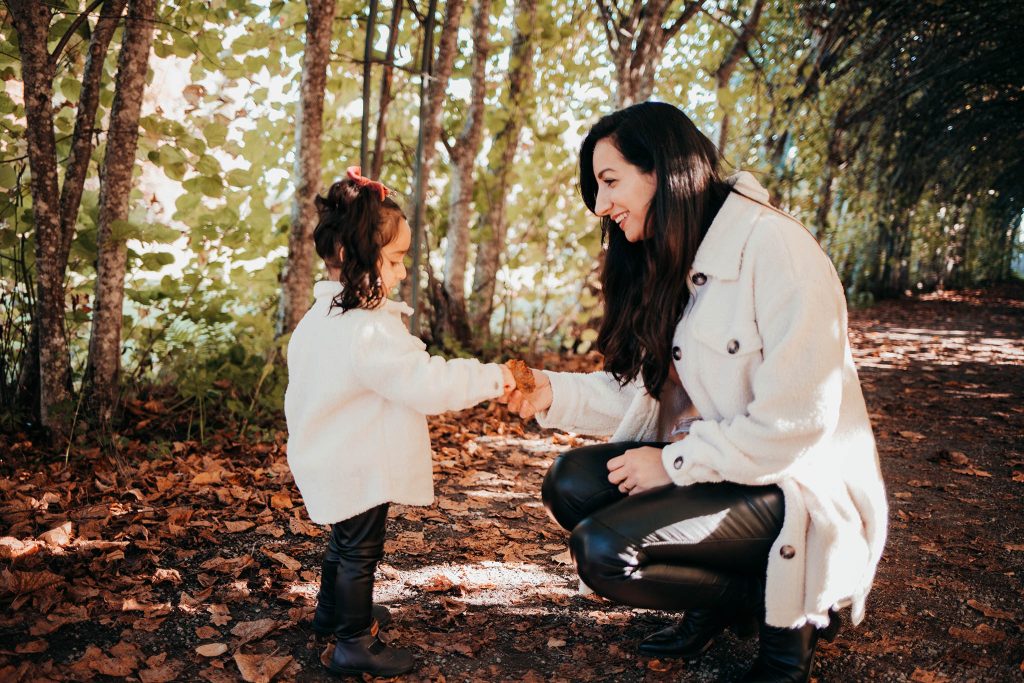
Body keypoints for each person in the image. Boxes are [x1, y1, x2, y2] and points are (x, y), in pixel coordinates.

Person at [507, 102, 888, 683]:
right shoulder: (674, 257)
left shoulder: (775, 248)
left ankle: (787, 624)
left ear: (663, 170)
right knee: (570, 483)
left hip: (793, 487)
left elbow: (798, 424)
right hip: (723, 473)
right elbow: (648, 394)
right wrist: (550, 394)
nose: (600, 204)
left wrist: (673, 462)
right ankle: (721, 600)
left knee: (603, 550)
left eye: (610, 182)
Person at [284, 167, 516, 677]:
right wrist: (493, 377)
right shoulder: (367, 331)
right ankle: (351, 643)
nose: (403, 273)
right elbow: (427, 383)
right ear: (351, 257)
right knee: (359, 553)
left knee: (343, 543)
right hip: (357, 462)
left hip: (330, 454)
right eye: (394, 261)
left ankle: (333, 614)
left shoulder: (318, 319)